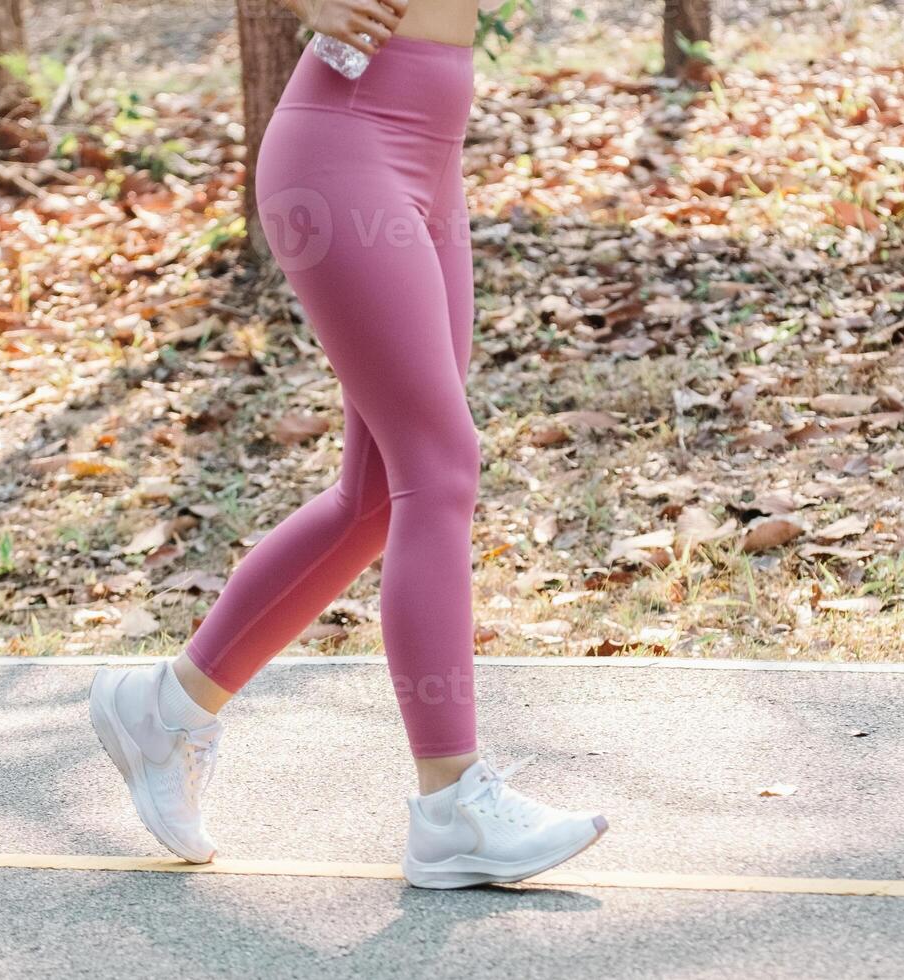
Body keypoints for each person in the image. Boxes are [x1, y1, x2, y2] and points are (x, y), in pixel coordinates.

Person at [86, 0, 607, 889]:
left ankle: (166, 707)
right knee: (440, 468)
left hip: (428, 149)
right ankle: (451, 807)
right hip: (342, 142)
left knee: (376, 499)